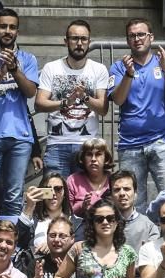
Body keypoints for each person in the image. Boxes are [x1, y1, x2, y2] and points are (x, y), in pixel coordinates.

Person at [107, 19, 165, 211]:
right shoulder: (118, 67)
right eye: (132, 35)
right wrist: (129, 74)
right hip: (129, 145)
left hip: (162, 142)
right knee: (131, 207)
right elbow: (118, 100)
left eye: (141, 34)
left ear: (151, 37)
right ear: (127, 40)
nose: (137, 39)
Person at [0, 8, 38, 216]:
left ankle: (12, 244)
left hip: (20, 136)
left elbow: (30, 92)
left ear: (17, 31)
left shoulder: (27, 59)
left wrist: (14, 71)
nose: (8, 31)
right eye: (3, 26)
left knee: (13, 196)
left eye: (12, 27)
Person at [35, 20, 110, 179]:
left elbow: (103, 109)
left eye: (84, 39)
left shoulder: (99, 69)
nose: (79, 43)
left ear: (89, 42)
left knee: (85, 199)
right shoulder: (51, 68)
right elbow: (40, 104)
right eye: (75, 38)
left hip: (88, 145)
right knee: (54, 197)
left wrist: (84, 97)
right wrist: (65, 102)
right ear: (66, 41)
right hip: (56, 144)